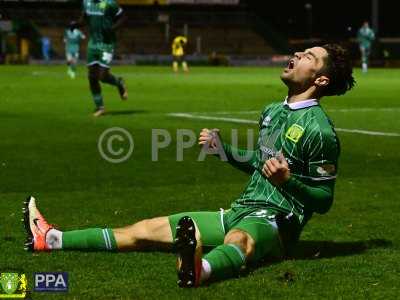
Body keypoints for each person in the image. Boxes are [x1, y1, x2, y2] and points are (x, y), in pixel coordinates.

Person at [24, 44, 355, 288]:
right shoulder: (272, 111)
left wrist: (288, 182)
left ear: (321, 80)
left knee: (240, 240)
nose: (297, 54)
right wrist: (222, 150)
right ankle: (52, 239)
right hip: (240, 209)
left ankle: (201, 271)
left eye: (309, 57)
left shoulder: (320, 130)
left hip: (276, 223)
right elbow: (260, 164)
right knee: (145, 230)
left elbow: (324, 200)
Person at [81, 0, 128, 117]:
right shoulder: (86, 2)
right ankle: (100, 107)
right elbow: (84, 19)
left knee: (102, 76)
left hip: (107, 44)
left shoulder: (110, 3)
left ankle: (119, 83)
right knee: (91, 76)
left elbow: (123, 18)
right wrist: (75, 24)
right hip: (92, 44)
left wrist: (113, 28)